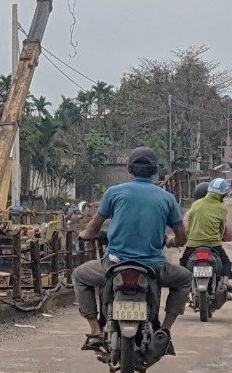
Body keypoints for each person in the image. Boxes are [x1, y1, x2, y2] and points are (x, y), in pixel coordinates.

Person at [73, 146, 193, 350]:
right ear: (155, 171)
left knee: (79, 275)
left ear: (129, 169)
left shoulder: (114, 192)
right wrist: (172, 242)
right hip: (153, 267)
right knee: (185, 278)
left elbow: (93, 228)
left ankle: (94, 330)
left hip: (114, 264)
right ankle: (165, 329)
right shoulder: (167, 198)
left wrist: (84, 235)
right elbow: (181, 236)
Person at [182, 177, 232, 281]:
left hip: (193, 244)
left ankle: (181, 286)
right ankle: (225, 281)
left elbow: (189, 226)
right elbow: (221, 228)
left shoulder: (195, 204)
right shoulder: (222, 208)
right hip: (213, 244)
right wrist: (218, 236)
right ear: (223, 194)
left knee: (183, 263)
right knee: (225, 261)